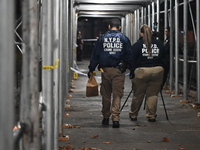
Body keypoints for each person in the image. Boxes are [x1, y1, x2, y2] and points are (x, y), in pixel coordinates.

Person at [88, 18, 132, 128]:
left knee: (106, 94)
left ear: (109, 26)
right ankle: (115, 119)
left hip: (105, 70)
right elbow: (129, 55)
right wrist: (132, 69)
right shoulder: (124, 39)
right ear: (119, 27)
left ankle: (106, 117)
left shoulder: (102, 38)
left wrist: (91, 69)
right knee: (117, 94)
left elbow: (96, 55)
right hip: (119, 70)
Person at [129, 24, 165, 122]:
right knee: (153, 94)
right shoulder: (159, 44)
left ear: (141, 33)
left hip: (142, 71)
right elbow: (165, 59)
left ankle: (133, 114)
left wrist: (132, 72)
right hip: (157, 70)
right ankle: (151, 115)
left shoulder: (137, 45)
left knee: (138, 94)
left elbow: (131, 60)